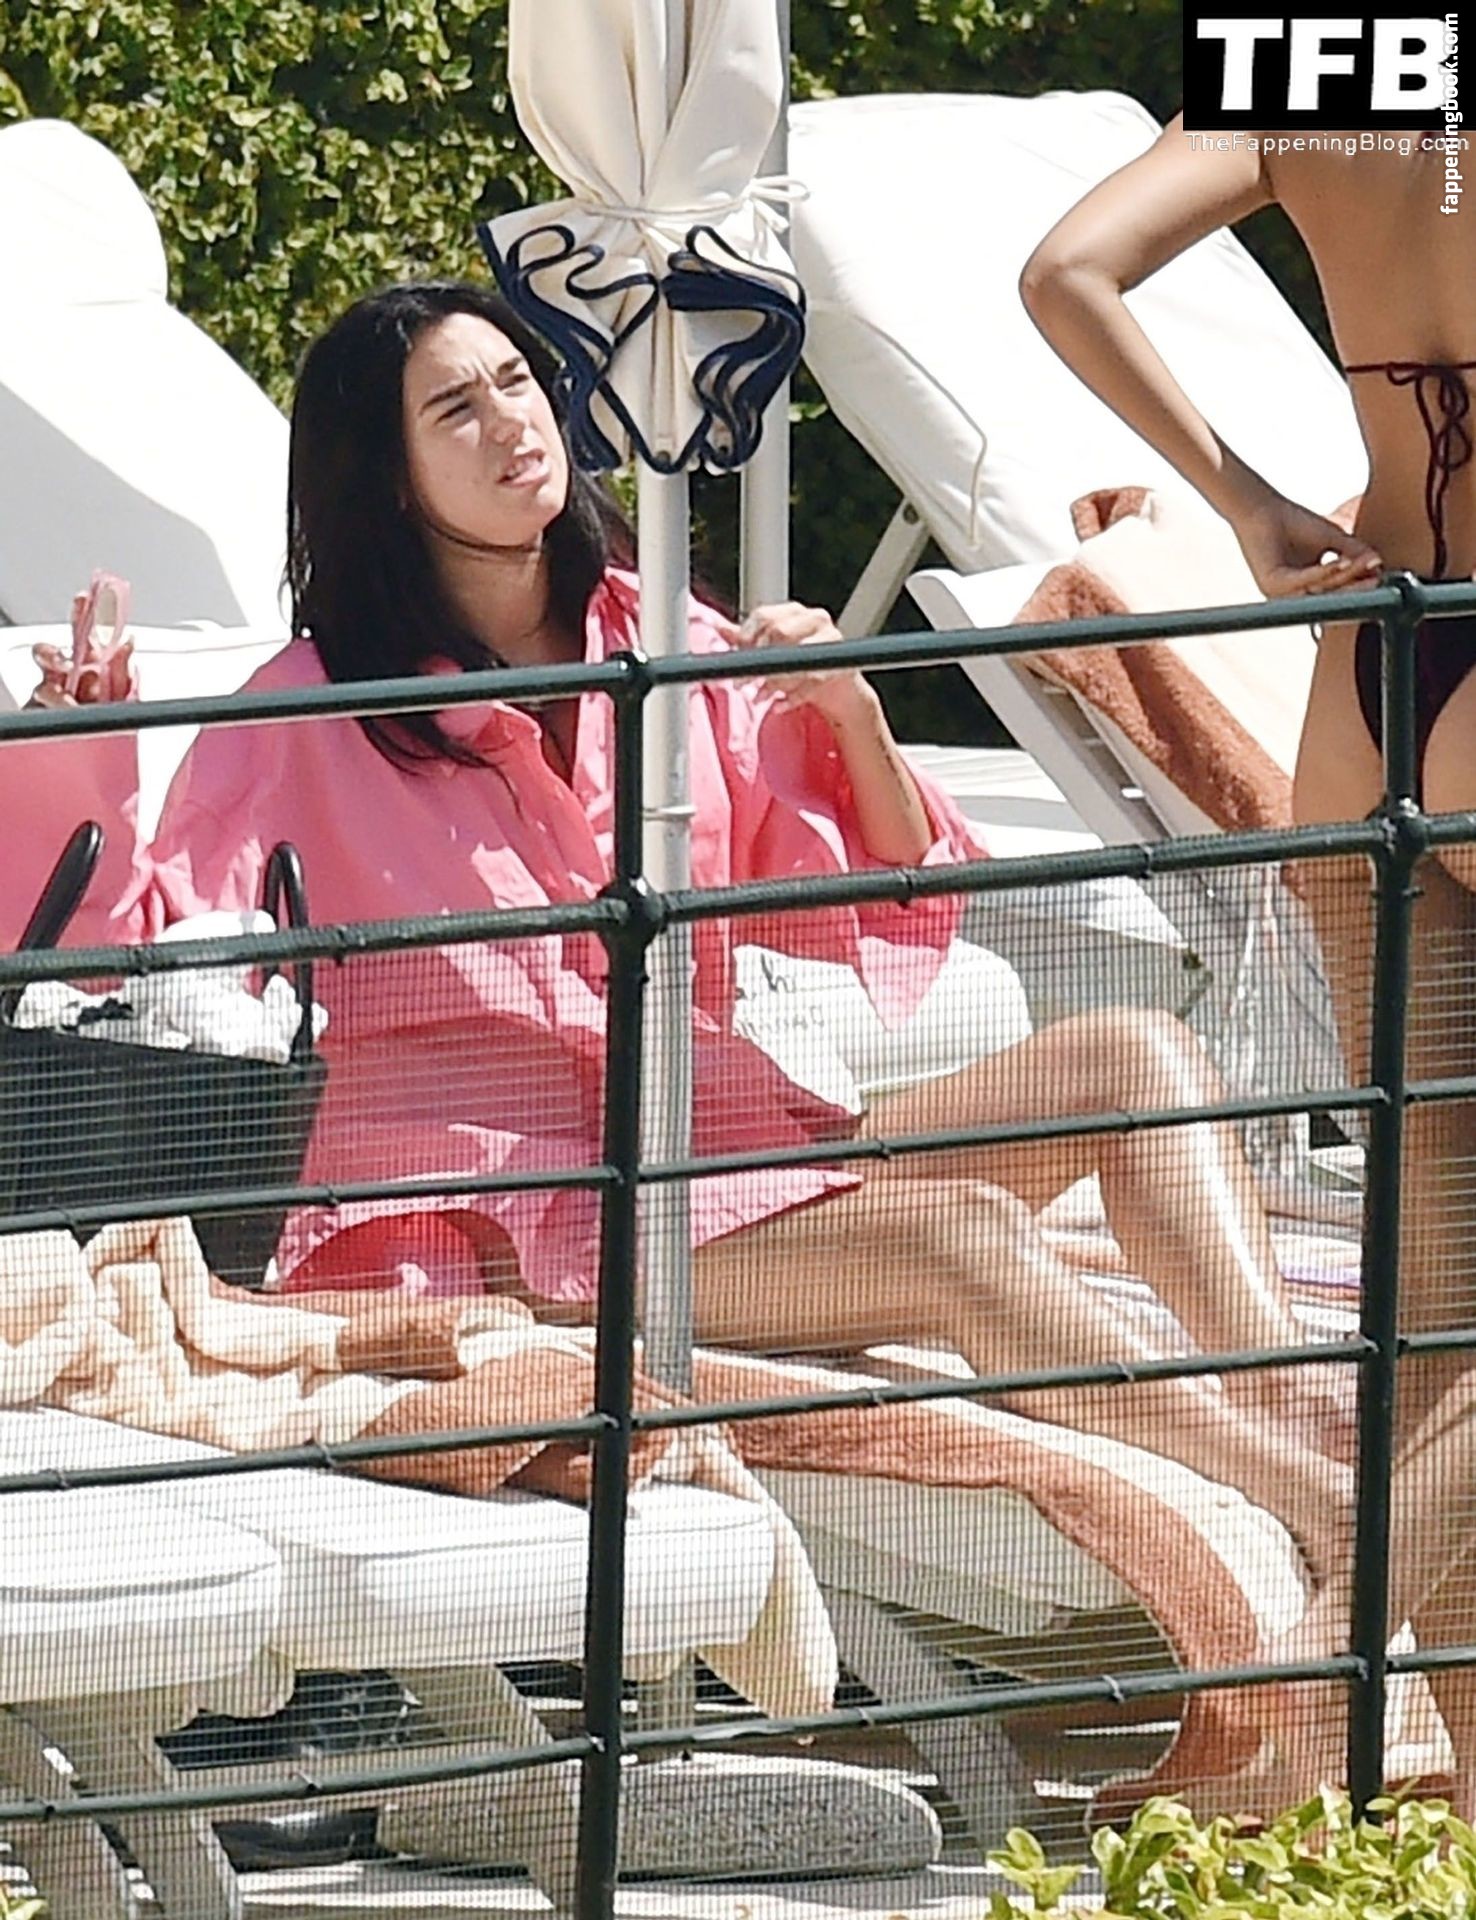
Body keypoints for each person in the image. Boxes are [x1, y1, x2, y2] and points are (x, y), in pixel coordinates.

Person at [19, 280, 1349, 1576]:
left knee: (1135, 1059)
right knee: (958, 1236)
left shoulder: (656, 638)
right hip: (511, 1226)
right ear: (388, 479)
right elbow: (140, 971)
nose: (512, 420)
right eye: (455, 410)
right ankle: (1324, 1505)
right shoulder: (308, 709)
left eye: (517, 382)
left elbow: (881, 900)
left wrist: (852, 715)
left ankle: (1297, 1407)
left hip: (713, 1149)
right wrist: (81, 755)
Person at [1019, 118, 1476, 1803]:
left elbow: (1063, 272)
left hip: (1371, 678)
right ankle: (1319, 1646)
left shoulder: (1317, 62)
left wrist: (1250, 506)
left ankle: (1458, 1810)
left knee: (1439, 1309)